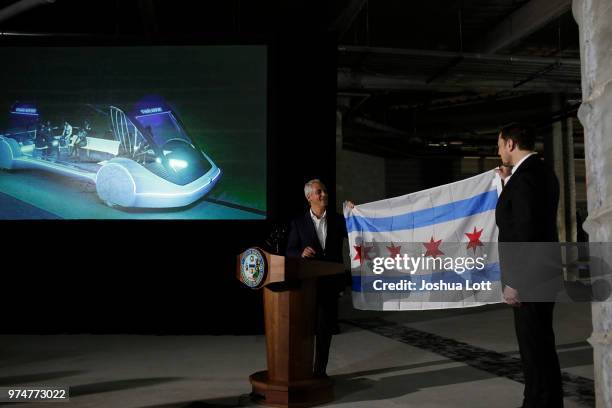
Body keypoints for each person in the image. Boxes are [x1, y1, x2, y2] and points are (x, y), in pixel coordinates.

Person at [495, 123, 563, 408]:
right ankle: (546, 401)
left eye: (499, 145)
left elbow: (524, 232)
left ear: (511, 144)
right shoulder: (541, 172)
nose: (498, 151)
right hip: (544, 271)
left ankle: (537, 403)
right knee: (542, 345)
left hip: (529, 278)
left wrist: (515, 281)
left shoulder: (525, 179)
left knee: (534, 349)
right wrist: (507, 183)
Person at [286, 179, 347, 377]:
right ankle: (301, 369)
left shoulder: (339, 220)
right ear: (308, 197)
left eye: (325, 191)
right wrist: (301, 253)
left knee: (324, 331)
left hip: (330, 284)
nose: (324, 195)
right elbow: (290, 250)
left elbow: (358, 233)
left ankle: (320, 371)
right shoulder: (298, 222)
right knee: (303, 330)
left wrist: (354, 213)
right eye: (319, 192)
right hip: (306, 286)